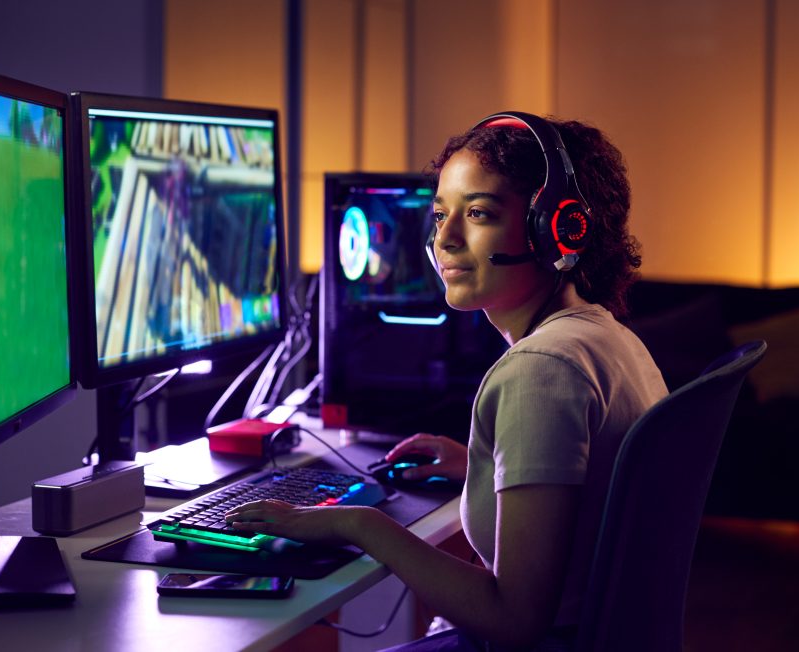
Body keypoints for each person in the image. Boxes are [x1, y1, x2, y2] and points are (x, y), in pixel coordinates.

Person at [225, 112, 668, 651]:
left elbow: (514, 621)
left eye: (478, 213)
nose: (445, 240)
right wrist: (483, 465)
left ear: (557, 228)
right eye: (439, 216)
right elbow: (594, 487)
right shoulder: (607, 339)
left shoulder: (541, 369)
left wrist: (360, 525)